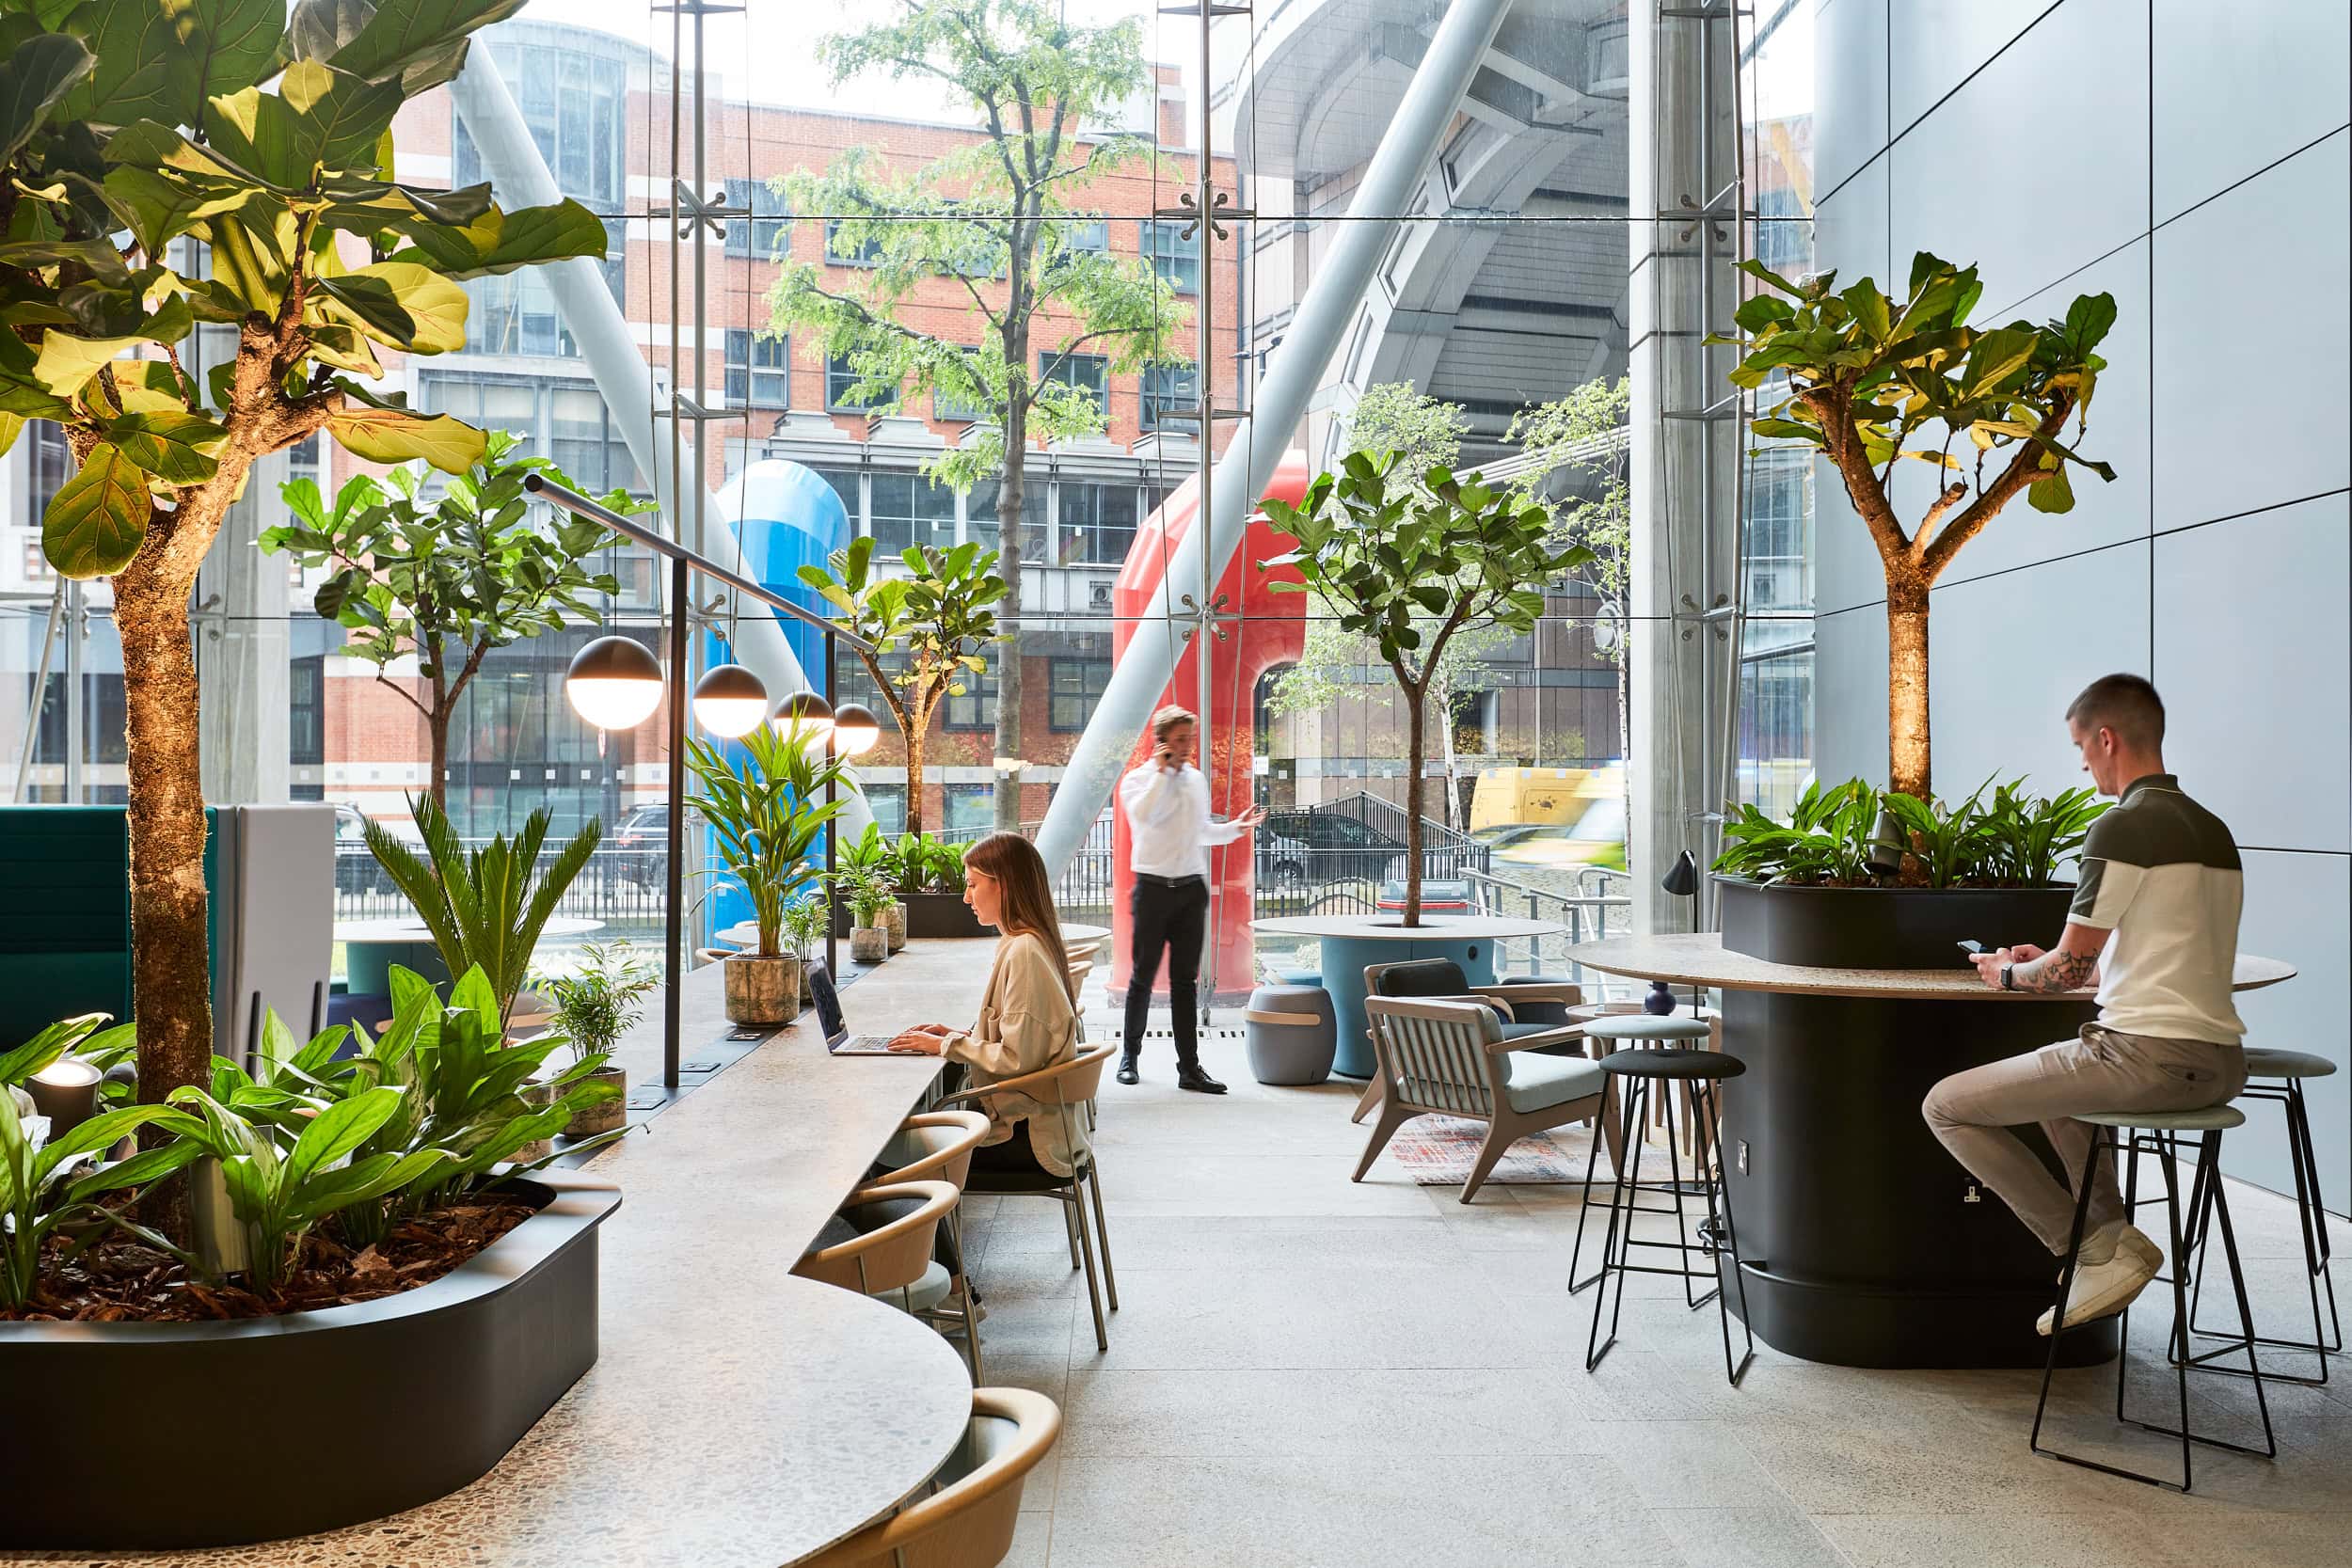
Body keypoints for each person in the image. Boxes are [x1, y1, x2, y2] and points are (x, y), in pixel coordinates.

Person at [1922, 673, 2247, 1336]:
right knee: (2057, 1082)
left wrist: (2007, 974)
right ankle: (2108, 1240)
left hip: (2146, 1055)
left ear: (2107, 738)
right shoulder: (2213, 830)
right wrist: (2051, 958)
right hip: (2219, 1059)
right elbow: (2124, 959)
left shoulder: (2123, 827)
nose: (2081, 762)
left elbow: (2066, 969)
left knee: (1945, 1105)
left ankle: (2088, 1250)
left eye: (2081, 746)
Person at [888, 832, 1089, 1180]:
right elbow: (1020, 1041)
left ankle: (920, 1231)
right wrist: (957, 1035)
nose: (966, 898)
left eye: (973, 885)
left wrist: (946, 1044)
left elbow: (1015, 1059)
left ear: (1004, 886)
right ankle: (924, 1232)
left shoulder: (1024, 952)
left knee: (889, 1156)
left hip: (1027, 1140)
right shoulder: (1023, 942)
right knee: (900, 1146)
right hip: (1036, 1128)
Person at [1115, 705, 1262, 1092]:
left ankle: (1190, 1069)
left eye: (1189, 739)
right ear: (1160, 741)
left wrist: (1233, 828)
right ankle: (1129, 1058)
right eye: (1180, 740)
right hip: (1152, 889)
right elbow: (1143, 818)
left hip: (1189, 890)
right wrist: (1163, 774)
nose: (1187, 747)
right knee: (1142, 978)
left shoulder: (1195, 779)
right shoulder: (1137, 781)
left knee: (1185, 982)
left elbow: (1197, 831)